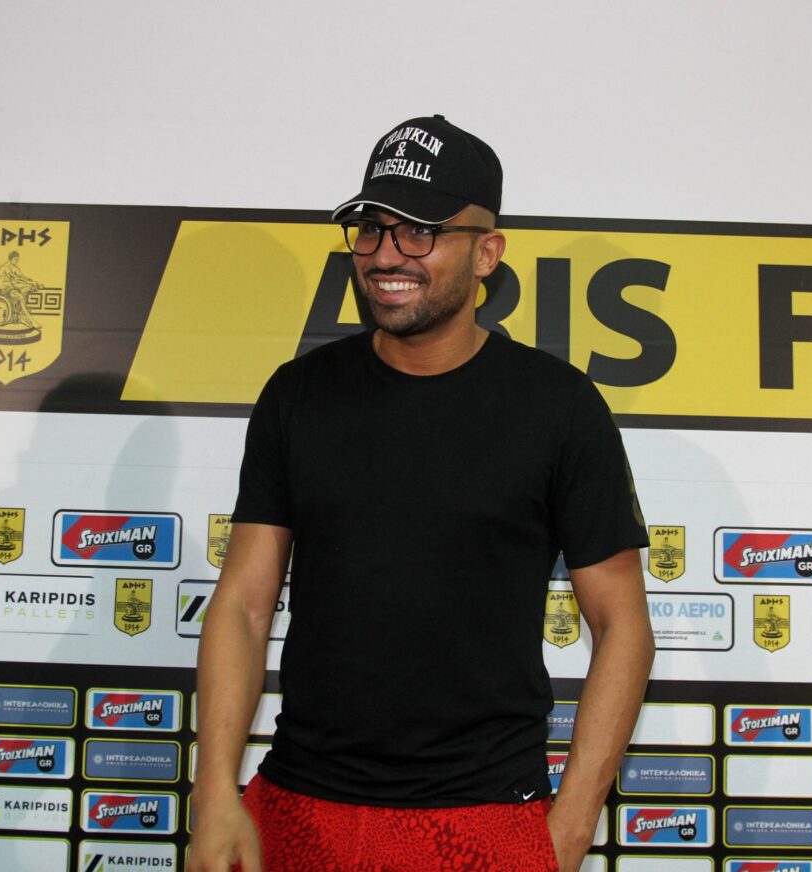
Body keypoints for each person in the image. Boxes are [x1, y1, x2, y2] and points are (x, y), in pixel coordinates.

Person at [187, 114, 653, 872]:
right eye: (372, 228)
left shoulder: (558, 407)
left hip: (486, 818)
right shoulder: (298, 395)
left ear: (487, 253)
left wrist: (570, 828)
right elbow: (242, 604)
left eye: (420, 231)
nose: (385, 254)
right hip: (299, 807)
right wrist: (213, 795)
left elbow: (622, 623)